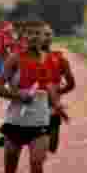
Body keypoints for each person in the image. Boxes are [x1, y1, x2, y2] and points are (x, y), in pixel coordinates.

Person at [0, 22, 58, 173]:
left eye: (37, 34)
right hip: (15, 123)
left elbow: (51, 87)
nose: (33, 38)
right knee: (10, 168)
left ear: (43, 37)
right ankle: (8, 152)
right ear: (23, 37)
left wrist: (56, 106)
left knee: (37, 168)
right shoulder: (14, 59)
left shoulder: (50, 60)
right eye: (29, 34)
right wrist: (18, 96)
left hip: (40, 124)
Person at [35, 22, 76, 154]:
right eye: (44, 34)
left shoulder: (59, 58)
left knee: (52, 147)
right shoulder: (26, 57)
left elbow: (71, 83)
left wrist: (58, 91)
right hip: (33, 107)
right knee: (38, 147)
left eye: (49, 35)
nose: (47, 38)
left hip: (53, 107)